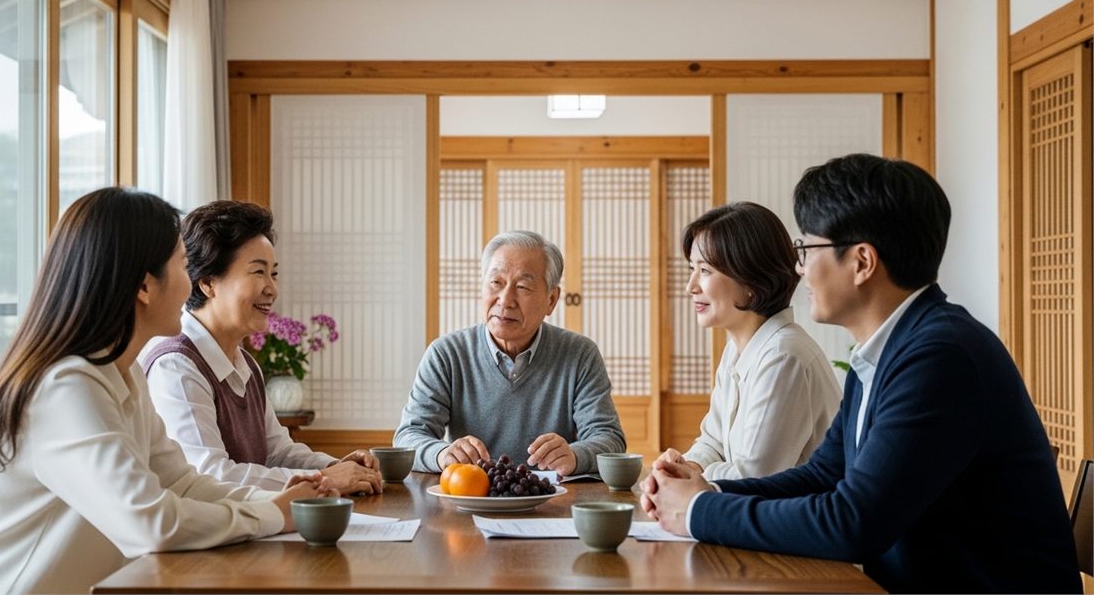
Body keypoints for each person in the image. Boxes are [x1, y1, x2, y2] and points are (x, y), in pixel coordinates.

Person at [640, 155, 1081, 593]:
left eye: (807, 250)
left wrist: (698, 510)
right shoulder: (886, 350)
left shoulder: (941, 356)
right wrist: (709, 491)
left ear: (862, 261)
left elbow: (853, 523)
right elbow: (823, 476)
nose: (799, 269)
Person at [0, 188, 334, 595]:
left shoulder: (122, 376)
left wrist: (280, 503)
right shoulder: (66, 387)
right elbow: (150, 524)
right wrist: (272, 514)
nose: (190, 285)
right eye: (183, 266)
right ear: (144, 286)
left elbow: (183, 484)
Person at [144, 200, 382, 495]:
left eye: (274, 274)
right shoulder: (176, 366)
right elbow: (211, 474)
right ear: (208, 283)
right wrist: (325, 478)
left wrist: (336, 466)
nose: (272, 288)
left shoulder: (246, 364)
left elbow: (277, 451)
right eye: (258, 272)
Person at [394, 230, 625, 475]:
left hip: (552, 496)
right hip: (471, 492)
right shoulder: (446, 354)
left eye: (523, 286)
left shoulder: (580, 355)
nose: (505, 300)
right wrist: (441, 453)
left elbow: (609, 438)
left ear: (551, 300)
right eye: (496, 282)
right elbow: (409, 436)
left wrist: (576, 455)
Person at [656, 202, 840, 480]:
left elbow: (754, 476)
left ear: (750, 281)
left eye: (705, 271)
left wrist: (690, 477)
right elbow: (712, 442)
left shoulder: (783, 356)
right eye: (692, 268)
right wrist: (689, 465)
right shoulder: (736, 349)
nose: (690, 286)